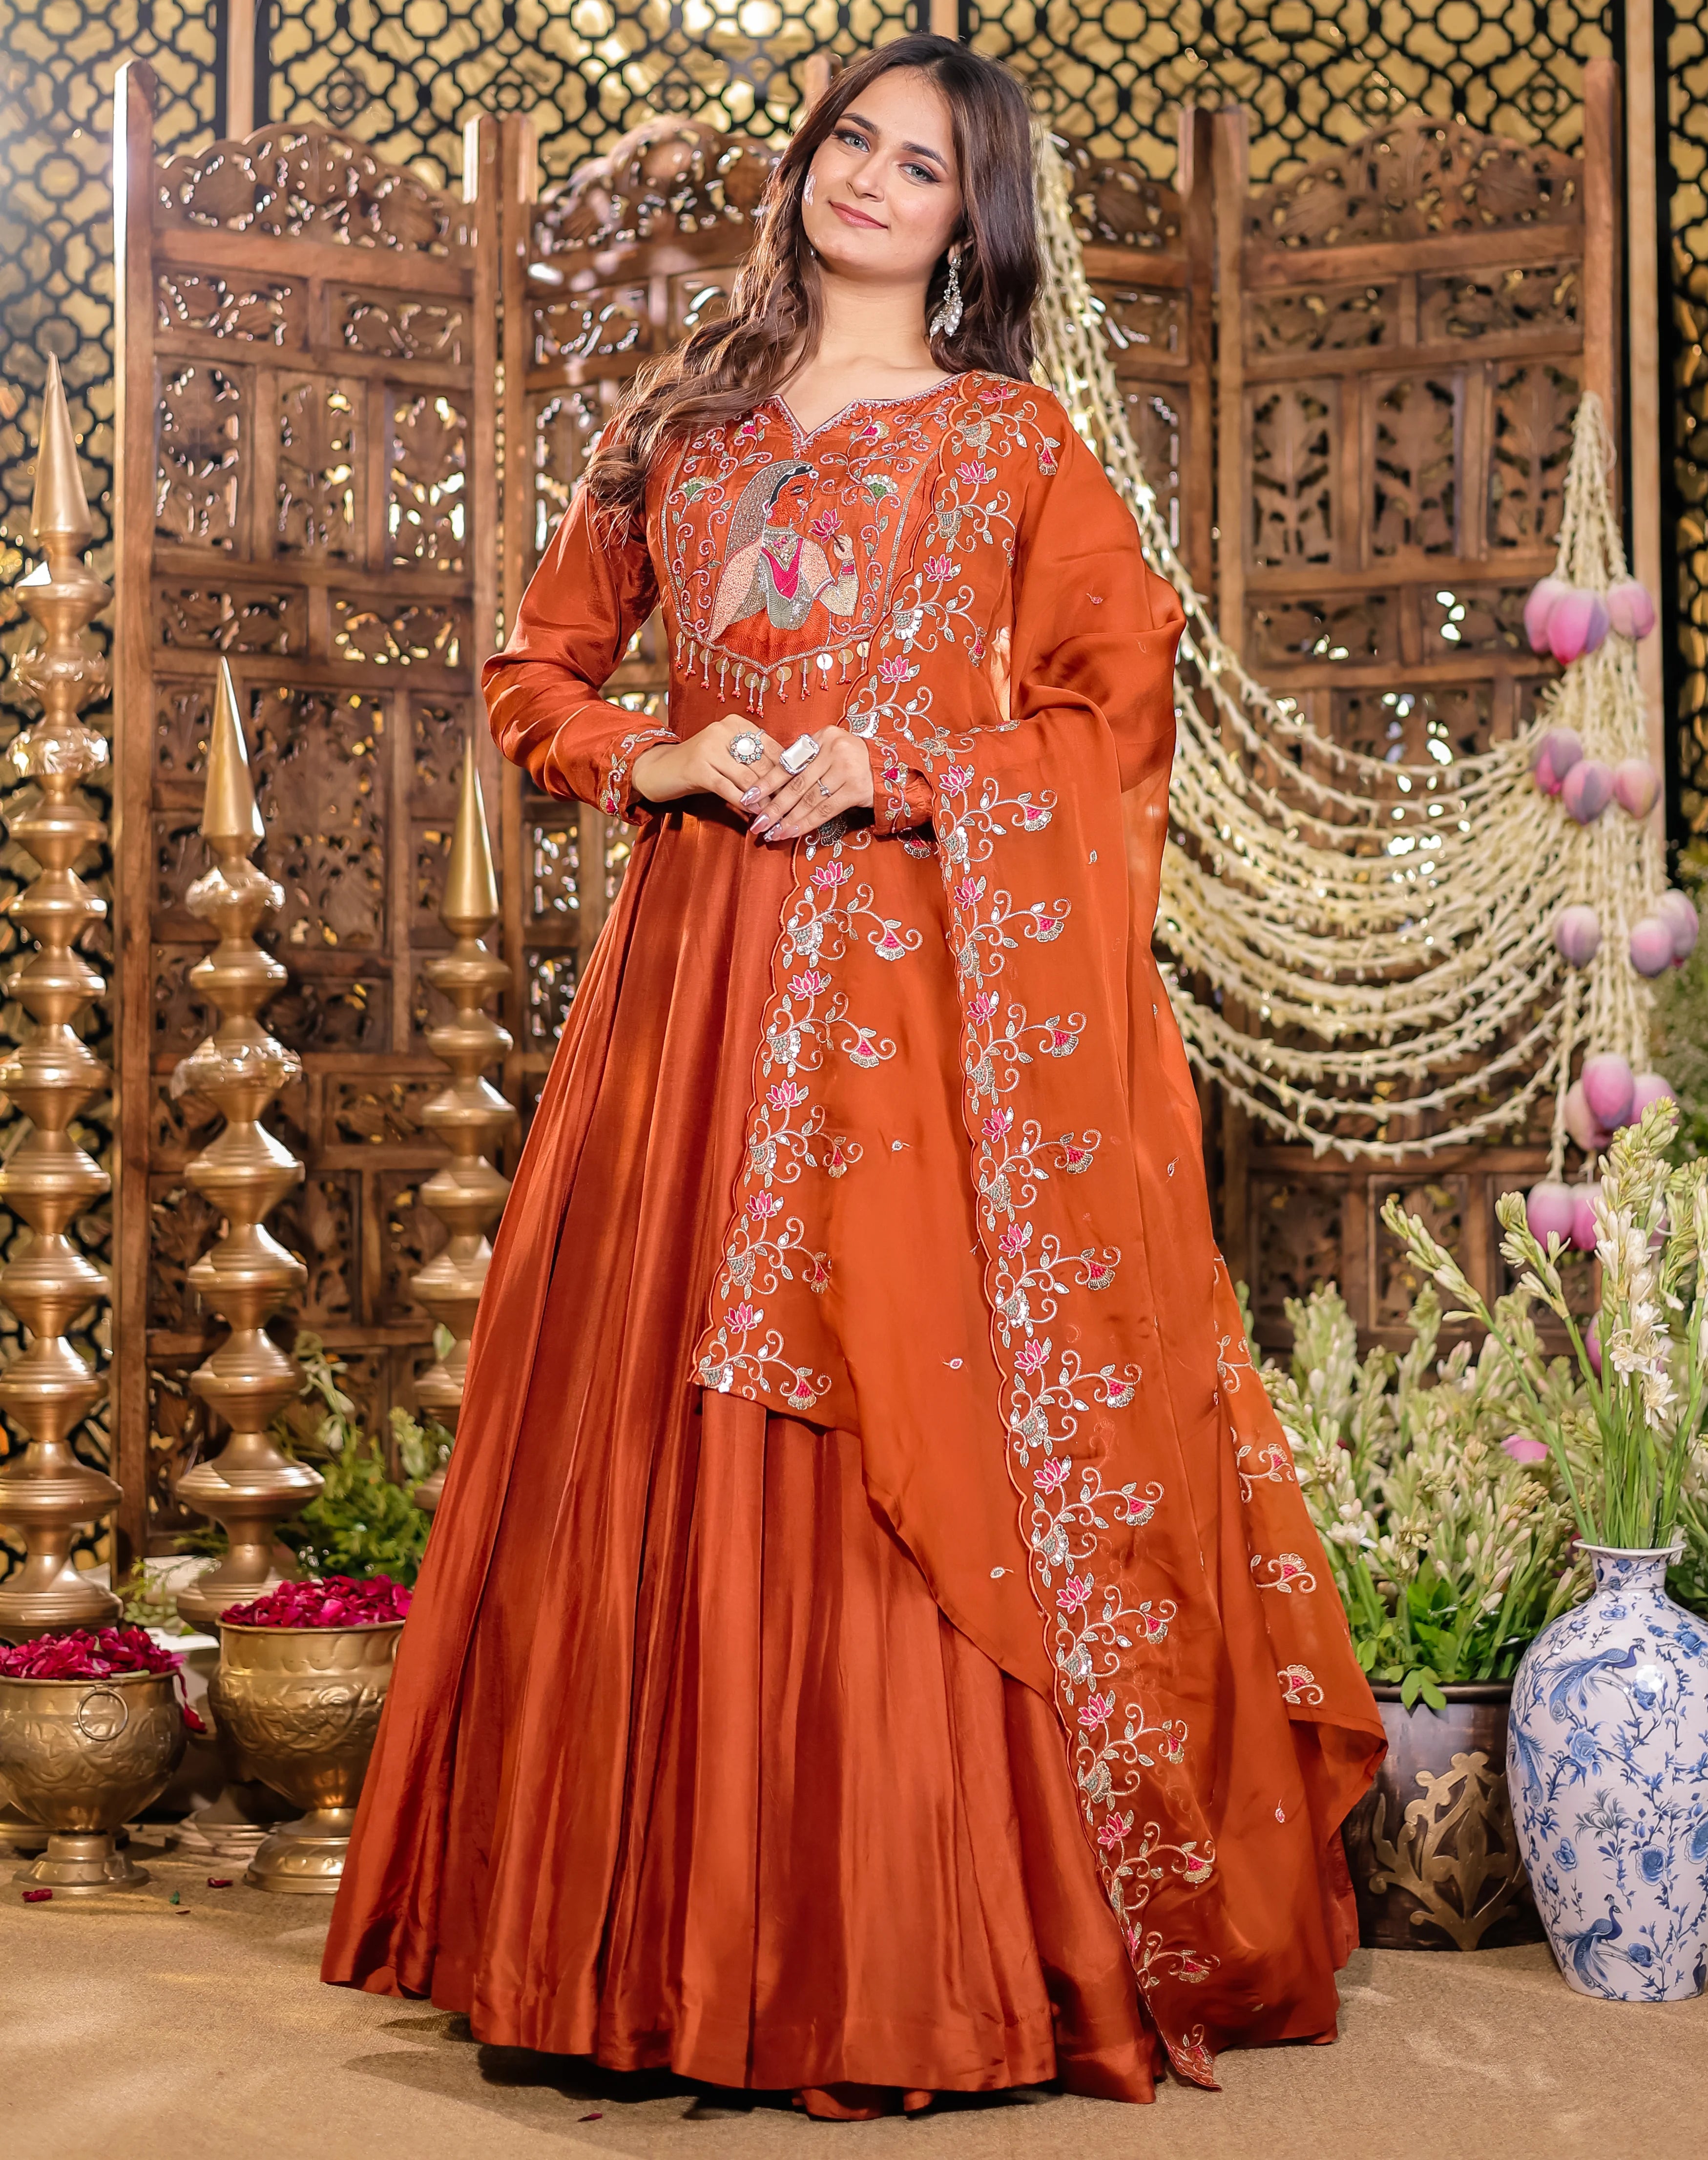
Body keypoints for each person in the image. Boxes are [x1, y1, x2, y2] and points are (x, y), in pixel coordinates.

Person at [322, 34, 1383, 2119]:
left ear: (972, 217)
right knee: (649, 1424)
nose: (873, 182)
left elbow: (1111, 702)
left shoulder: (1010, 445)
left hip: (907, 1000)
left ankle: (894, 1967)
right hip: (688, 993)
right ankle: (621, 1963)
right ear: (802, 168)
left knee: (887, 1409)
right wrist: (660, 754)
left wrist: (902, 774)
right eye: (850, 143)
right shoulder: (681, 433)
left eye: (923, 163)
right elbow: (537, 665)